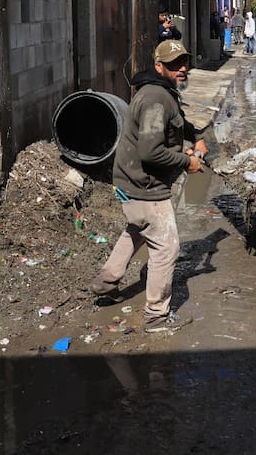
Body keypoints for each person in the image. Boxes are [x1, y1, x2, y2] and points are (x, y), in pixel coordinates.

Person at [88, 39, 206, 334]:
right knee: (166, 246)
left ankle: (106, 282)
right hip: (145, 185)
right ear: (158, 67)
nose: (182, 68)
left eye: (184, 62)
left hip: (129, 180)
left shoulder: (161, 92)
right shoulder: (155, 99)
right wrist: (186, 162)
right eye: (174, 64)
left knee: (139, 228)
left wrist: (195, 135)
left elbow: (174, 122)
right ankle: (156, 317)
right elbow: (151, 152)